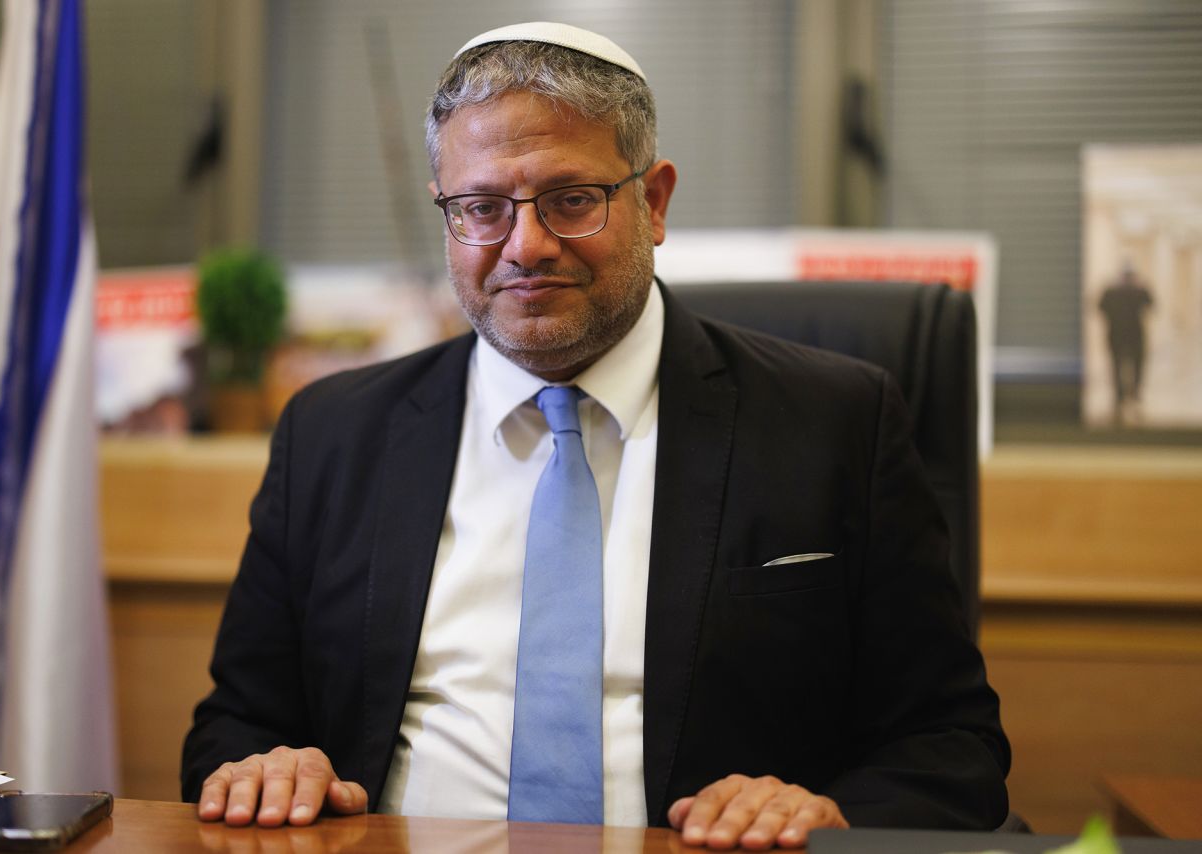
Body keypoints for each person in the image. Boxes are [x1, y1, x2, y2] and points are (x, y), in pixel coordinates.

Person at [182, 22, 1010, 850]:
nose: (525, 246)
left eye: (571, 200)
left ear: (653, 203)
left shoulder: (835, 423)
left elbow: (950, 748)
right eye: (481, 208)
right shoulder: (334, 433)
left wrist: (830, 820)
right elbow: (238, 725)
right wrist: (267, 768)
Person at [1097, 264, 1154, 425]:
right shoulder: (1137, 291)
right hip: (1132, 336)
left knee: (1119, 367)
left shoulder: (1111, 291)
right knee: (1132, 367)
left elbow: (1101, 308)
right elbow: (1151, 304)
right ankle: (1130, 396)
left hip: (1118, 335)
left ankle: (1123, 397)